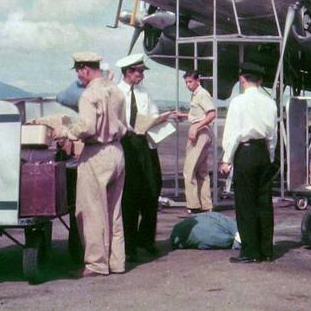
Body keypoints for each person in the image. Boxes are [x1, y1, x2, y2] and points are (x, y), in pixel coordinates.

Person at [59, 52, 127, 278]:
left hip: (96, 153)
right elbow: (124, 123)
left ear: (85, 69)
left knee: (91, 211)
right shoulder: (116, 91)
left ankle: (96, 263)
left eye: (79, 71)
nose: (79, 76)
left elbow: (87, 126)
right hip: (117, 150)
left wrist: (68, 132)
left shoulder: (89, 95)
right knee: (114, 210)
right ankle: (117, 261)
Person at [116, 53, 173, 262]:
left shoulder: (144, 93)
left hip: (146, 146)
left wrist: (160, 119)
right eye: (139, 71)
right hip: (126, 145)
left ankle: (146, 240)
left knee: (151, 191)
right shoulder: (116, 93)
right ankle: (129, 246)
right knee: (129, 197)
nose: (142, 76)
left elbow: (152, 115)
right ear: (128, 72)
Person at [219, 63, 278, 263]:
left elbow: (233, 133)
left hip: (245, 152)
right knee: (264, 202)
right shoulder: (270, 102)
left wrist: (226, 159)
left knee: (245, 203)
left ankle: (250, 251)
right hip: (263, 152)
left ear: (242, 79)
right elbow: (273, 136)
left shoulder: (238, 102)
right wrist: (270, 158)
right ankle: (266, 250)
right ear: (260, 81)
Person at [174, 71, 216, 215]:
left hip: (201, 132)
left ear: (198, 80)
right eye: (186, 82)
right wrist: (184, 115)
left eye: (190, 82)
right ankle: (205, 205)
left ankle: (193, 205)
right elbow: (199, 114)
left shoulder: (202, 94)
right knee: (201, 171)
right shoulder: (196, 94)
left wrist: (196, 127)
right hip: (200, 130)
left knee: (189, 170)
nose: (188, 85)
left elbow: (211, 113)